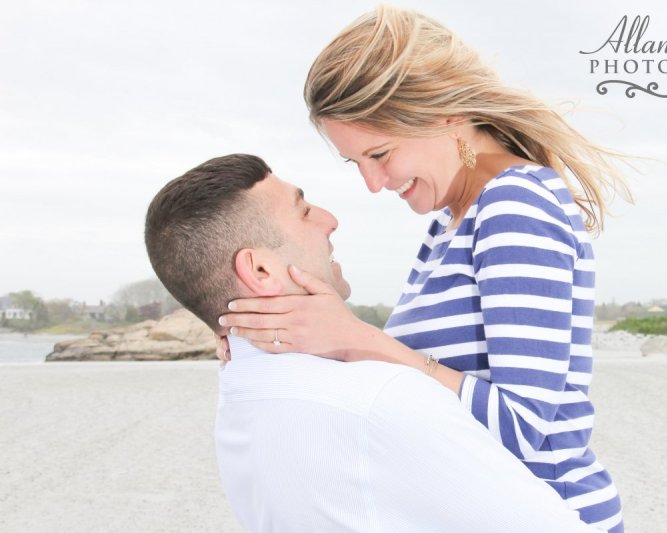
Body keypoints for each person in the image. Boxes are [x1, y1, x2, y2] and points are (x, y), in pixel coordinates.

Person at [218, 6, 629, 532]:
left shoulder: (514, 205)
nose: (373, 182)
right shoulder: (451, 223)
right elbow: (420, 390)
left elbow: (523, 427)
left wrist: (357, 339)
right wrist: (270, 336)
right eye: (356, 163)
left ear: (445, 113)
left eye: (380, 153)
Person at [144, 153, 600, 532]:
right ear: (261, 272)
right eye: (304, 210)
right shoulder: (380, 401)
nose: (330, 220)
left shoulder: (240, 402)